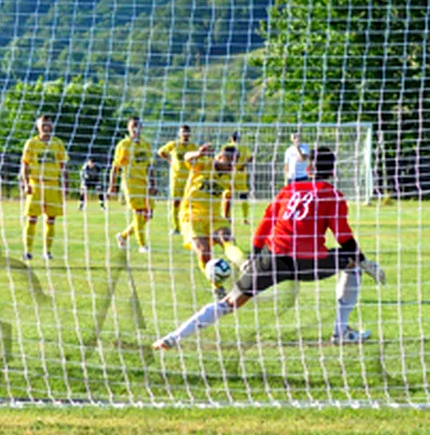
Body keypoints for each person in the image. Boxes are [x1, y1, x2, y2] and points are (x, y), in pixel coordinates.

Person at [152, 146, 385, 350]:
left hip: (272, 258)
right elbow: (343, 237)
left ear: (309, 169)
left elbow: (265, 224)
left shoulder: (289, 190)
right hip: (309, 263)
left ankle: (172, 338)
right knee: (352, 265)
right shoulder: (333, 195)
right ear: (333, 172)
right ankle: (340, 332)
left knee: (229, 303)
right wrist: (365, 262)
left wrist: (254, 255)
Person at [179, 143, 247, 298]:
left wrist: (226, 217)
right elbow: (186, 158)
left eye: (236, 162)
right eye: (230, 162)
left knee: (226, 238)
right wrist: (197, 153)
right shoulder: (204, 164)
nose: (233, 165)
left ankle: (245, 265)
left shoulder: (231, 177)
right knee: (204, 252)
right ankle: (217, 287)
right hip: (191, 215)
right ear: (220, 157)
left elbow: (227, 198)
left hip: (214, 216)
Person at [20, 116, 68, 261]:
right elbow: (25, 164)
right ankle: (27, 251)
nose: (46, 126)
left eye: (48, 124)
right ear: (38, 127)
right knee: (32, 218)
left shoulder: (57, 144)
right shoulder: (31, 143)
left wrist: (65, 184)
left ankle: (47, 251)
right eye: (43, 124)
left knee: (51, 219)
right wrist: (26, 183)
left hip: (52, 184)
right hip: (36, 184)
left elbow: (63, 165)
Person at [109, 117, 156, 253]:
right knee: (139, 212)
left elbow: (149, 166)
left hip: (144, 183)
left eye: (138, 125)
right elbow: (115, 167)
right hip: (130, 182)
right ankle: (143, 245)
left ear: (142, 128)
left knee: (148, 214)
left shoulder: (146, 145)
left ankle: (123, 236)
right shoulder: (123, 145)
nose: (135, 128)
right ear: (128, 128)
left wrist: (153, 183)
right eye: (133, 126)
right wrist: (112, 185)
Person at [157, 125, 197, 236]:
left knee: (189, 203)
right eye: (183, 132)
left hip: (189, 179)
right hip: (176, 179)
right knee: (176, 202)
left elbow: (198, 157)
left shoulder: (193, 146)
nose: (185, 135)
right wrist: (170, 160)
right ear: (179, 134)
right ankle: (176, 227)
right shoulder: (174, 145)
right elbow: (161, 152)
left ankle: (188, 226)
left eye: (187, 132)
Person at [225, 131, 253, 224]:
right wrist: (243, 165)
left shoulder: (227, 146)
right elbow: (251, 157)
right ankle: (245, 219)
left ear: (231, 138)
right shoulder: (243, 148)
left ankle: (227, 217)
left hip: (229, 174)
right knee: (243, 196)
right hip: (241, 174)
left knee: (228, 196)